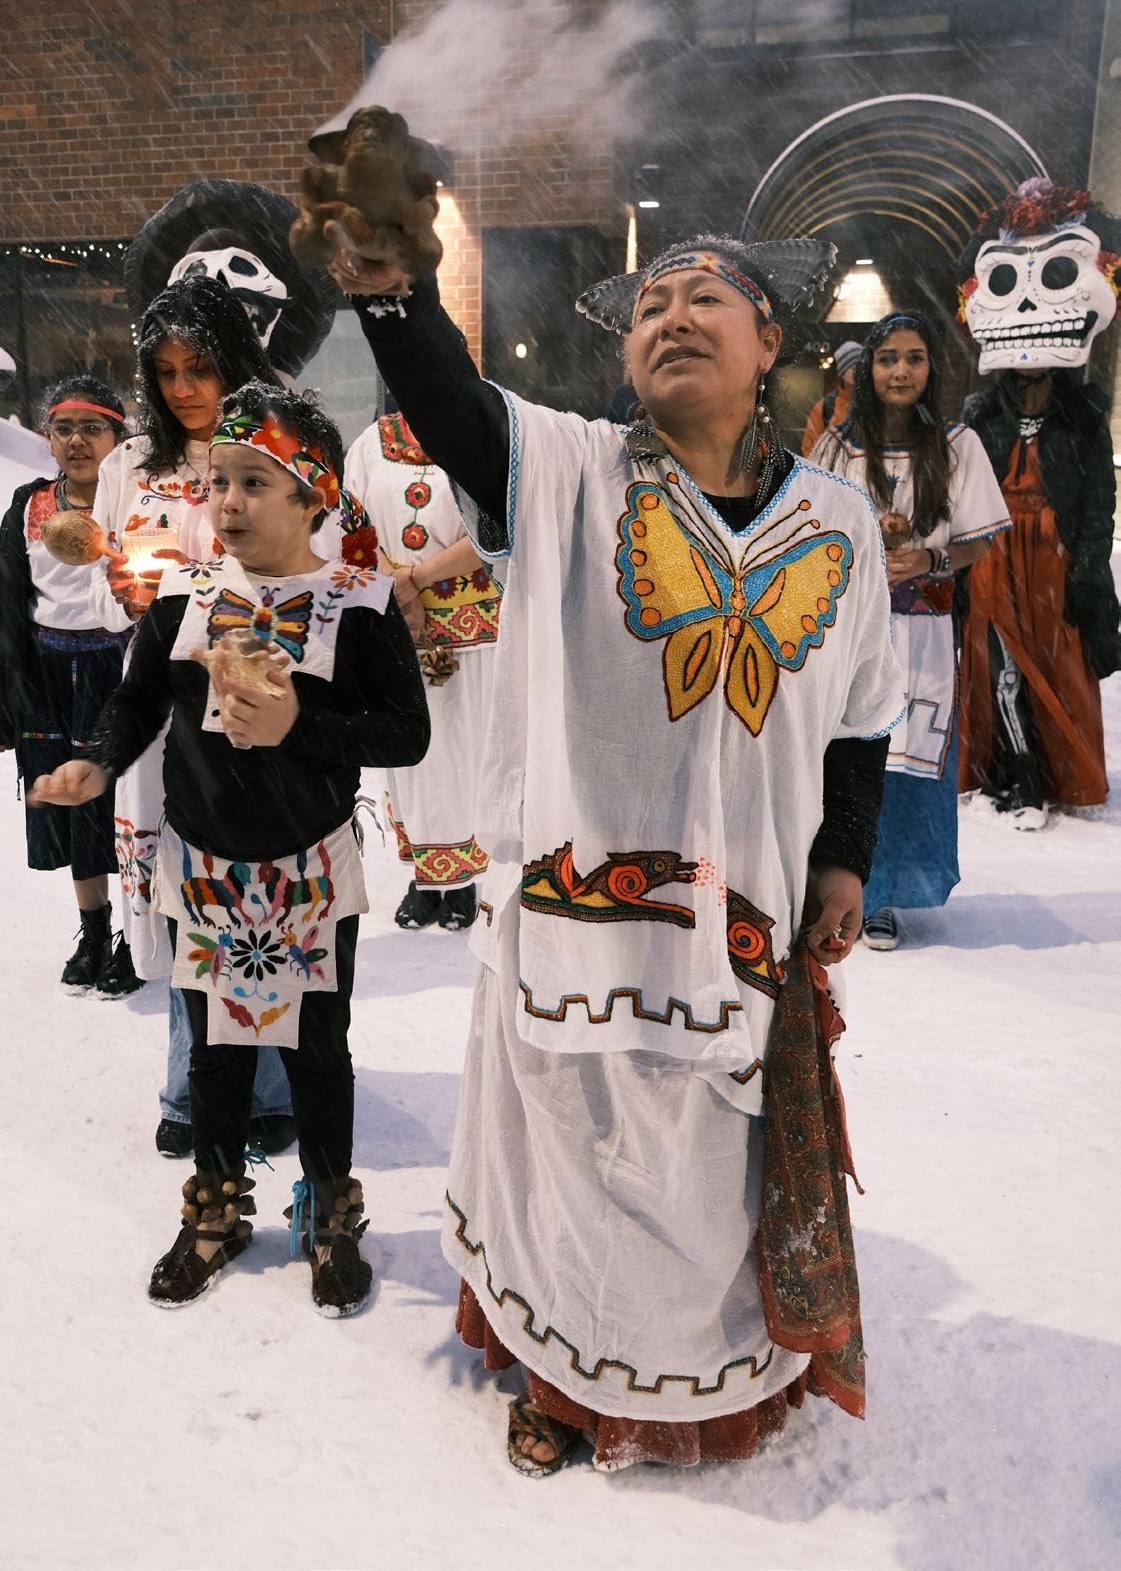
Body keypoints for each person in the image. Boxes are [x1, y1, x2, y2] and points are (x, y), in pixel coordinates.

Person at [329, 229, 904, 1474]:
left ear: (770, 347)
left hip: (739, 920)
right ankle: (554, 1375)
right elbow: (455, 406)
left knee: (700, 1171)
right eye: (651, 304)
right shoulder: (571, 469)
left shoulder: (842, 524)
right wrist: (392, 297)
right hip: (569, 910)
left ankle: (689, 1383)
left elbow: (860, 720)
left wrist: (843, 862)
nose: (672, 317)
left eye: (708, 299)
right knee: (564, 1156)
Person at [29, 381, 430, 1309]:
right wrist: (95, 762)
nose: (230, 503)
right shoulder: (183, 596)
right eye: (219, 483)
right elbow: (137, 703)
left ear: (313, 497)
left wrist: (302, 722)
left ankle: (331, 1210)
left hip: (311, 869)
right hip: (203, 862)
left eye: (256, 482)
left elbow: (403, 734)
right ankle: (213, 1207)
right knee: (212, 1047)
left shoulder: (359, 602)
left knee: (318, 1050)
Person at [89, 273, 296, 1157]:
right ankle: (187, 1086)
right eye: (165, 369)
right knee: (183, 902)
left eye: (200, 366)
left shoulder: (278, 452)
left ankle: (272, 1085)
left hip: (255, 703)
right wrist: (126, 591)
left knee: (264, 896)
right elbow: (108, 606)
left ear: (235, 364)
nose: (182, 387)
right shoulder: (126, 467)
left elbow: (308, 574)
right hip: (159, 712)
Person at [811, 312, 1010, 950]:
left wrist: (929, 559)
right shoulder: (839, 446)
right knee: (837, 752)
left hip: (923, 629)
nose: (901, 370)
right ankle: (819, 885)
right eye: (888, 357)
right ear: (867, 369)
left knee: (902, 761)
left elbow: (979, 536)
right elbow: (808, 526)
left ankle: (885, 894)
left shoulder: (957, 444)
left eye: (915, 358)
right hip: (849, 626)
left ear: (931, 368)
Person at [954, 179, 1121, 827]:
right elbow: (963, 490)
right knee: (998, 665)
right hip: (994, 552)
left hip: (1052, 559)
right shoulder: (977, 413)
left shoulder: (1080, 416)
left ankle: (1058, 773)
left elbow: (1096, 501)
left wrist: (1086, 563)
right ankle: (1014, 772)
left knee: (1056, 666)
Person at [0, 373, 138, 993]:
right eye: (64, 428)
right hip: (47, 675)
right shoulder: (27, 506)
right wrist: (0, 707)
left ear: (118, 438)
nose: (77, 440)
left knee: (127, 807)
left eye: (92, 427)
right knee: (71, 807)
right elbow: (3, 605)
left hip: (118, 671)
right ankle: (94, 933)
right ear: (48, 438)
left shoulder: (135, 504)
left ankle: (139, 935)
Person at [343, 404, 500, 931]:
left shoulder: (477, 428)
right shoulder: (371, 443)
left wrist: (418, 577)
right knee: (414, 760)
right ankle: (426, 879)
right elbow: (349, 522)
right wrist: (396, 585)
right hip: (399, 621)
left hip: (473, 629)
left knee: (466, 754)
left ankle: (466, 883)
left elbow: (496, 525)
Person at [800, 339, 860, 456]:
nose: (857, 371)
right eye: (852, 366)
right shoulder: (826, 406)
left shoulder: (877, 403)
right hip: (833, 472)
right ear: (842, 371)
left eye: (861, 366)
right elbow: (809, 449)